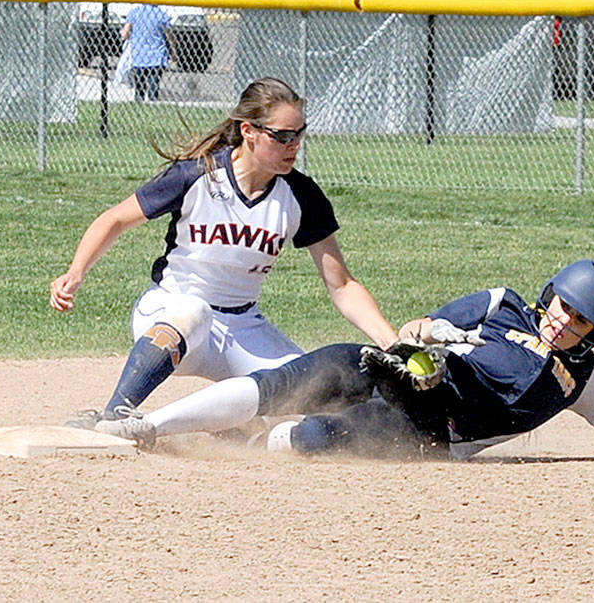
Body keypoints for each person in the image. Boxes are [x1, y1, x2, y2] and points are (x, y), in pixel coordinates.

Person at [95, 259, 594, 462]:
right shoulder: (501, 303)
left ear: (593, 332)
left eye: (579, 318)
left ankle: (224, 437)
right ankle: (144, 424)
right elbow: (424, 323)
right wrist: (428, 338)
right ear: (547, 294)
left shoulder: (581, 379)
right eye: (561, 304)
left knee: (312, 437)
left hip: (432, 433)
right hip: (406, 375)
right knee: (310, 373)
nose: (562, 318)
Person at [51, 77, 398, 428]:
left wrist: (393, 343)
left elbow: (341, 286)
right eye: (281, 136)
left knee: (304, 392)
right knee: (194, 311)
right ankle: (115, 414)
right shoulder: (197, 175)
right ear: (248, 131)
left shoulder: (301, 195)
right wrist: (76, 272)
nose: (293, 145)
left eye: (298, 134)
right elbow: (114, 220)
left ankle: (230, 431)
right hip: (170, 311)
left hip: (243, 325)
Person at [120, 4, 170, 101]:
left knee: (139, 86)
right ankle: (152, 101)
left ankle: (139, 101)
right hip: (157, 56)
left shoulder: (134, 12)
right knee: (154, 85)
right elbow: (169, 34)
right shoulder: (161, 14)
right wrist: (173, 49)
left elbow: (125, 33)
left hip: (139, 55)